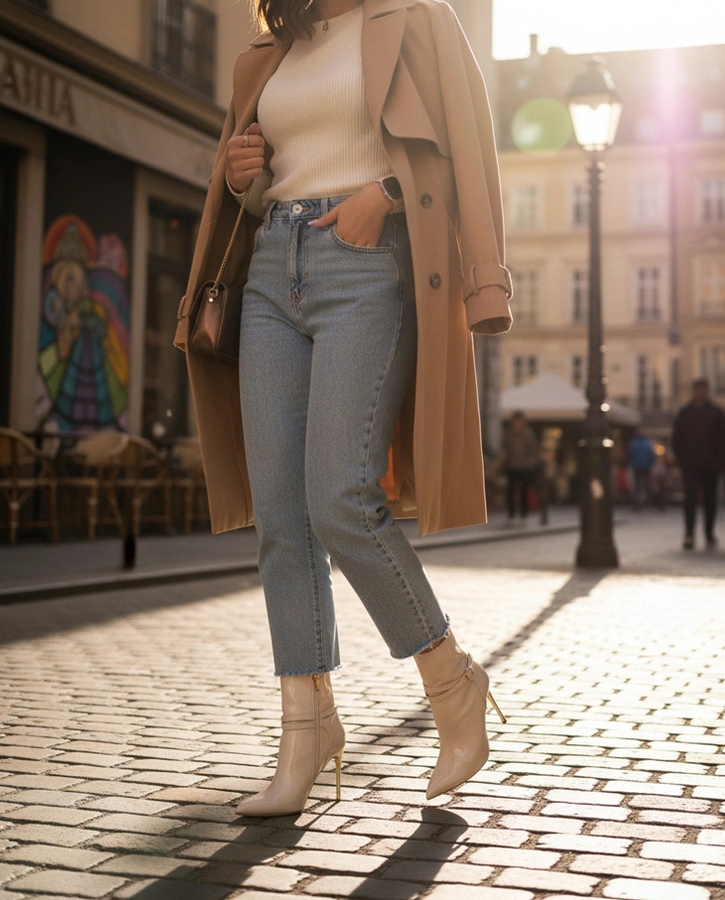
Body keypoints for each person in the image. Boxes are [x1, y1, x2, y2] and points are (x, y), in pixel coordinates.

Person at [172, 0, 513, 816]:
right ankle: (307, 727)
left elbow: (469, 147)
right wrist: (241, 178)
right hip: (269, 274)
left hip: (367, 270)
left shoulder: (418, 19)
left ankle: (452, 682)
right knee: (282, 518)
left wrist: (388, 192)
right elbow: (256, 190)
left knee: (340, 498)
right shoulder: (270, 49)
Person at [672, 378, 725, 549]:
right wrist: (681, 460)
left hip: (710, 465)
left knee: (710, 500)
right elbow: (677, 438)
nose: (700, 393)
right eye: (698, 390)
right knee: (689, 499)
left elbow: (723, 439)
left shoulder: (716, 413)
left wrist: (720, 461)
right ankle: (689, 533)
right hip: (690, 464)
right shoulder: (685, 413)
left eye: (703, 390)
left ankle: (709, 533)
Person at [501, 411, 539, 526]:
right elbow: (504, 449)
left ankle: (523, 515)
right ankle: (511, 516)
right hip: (511, 467)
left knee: (523, 492)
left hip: (525, 468)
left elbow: (533, 451)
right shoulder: (508, 434)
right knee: (510, 492)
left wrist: (530, 463)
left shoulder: (528, 434)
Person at [626, 429, 655, 510]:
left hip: (636, 466)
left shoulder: (633, 444)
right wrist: (650, 464)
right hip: (646, 467)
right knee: (645, 484)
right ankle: (644, 501)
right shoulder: (647, 444)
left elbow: (629, 454)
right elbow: (652, 456)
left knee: (637, 485)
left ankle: (637, 502)